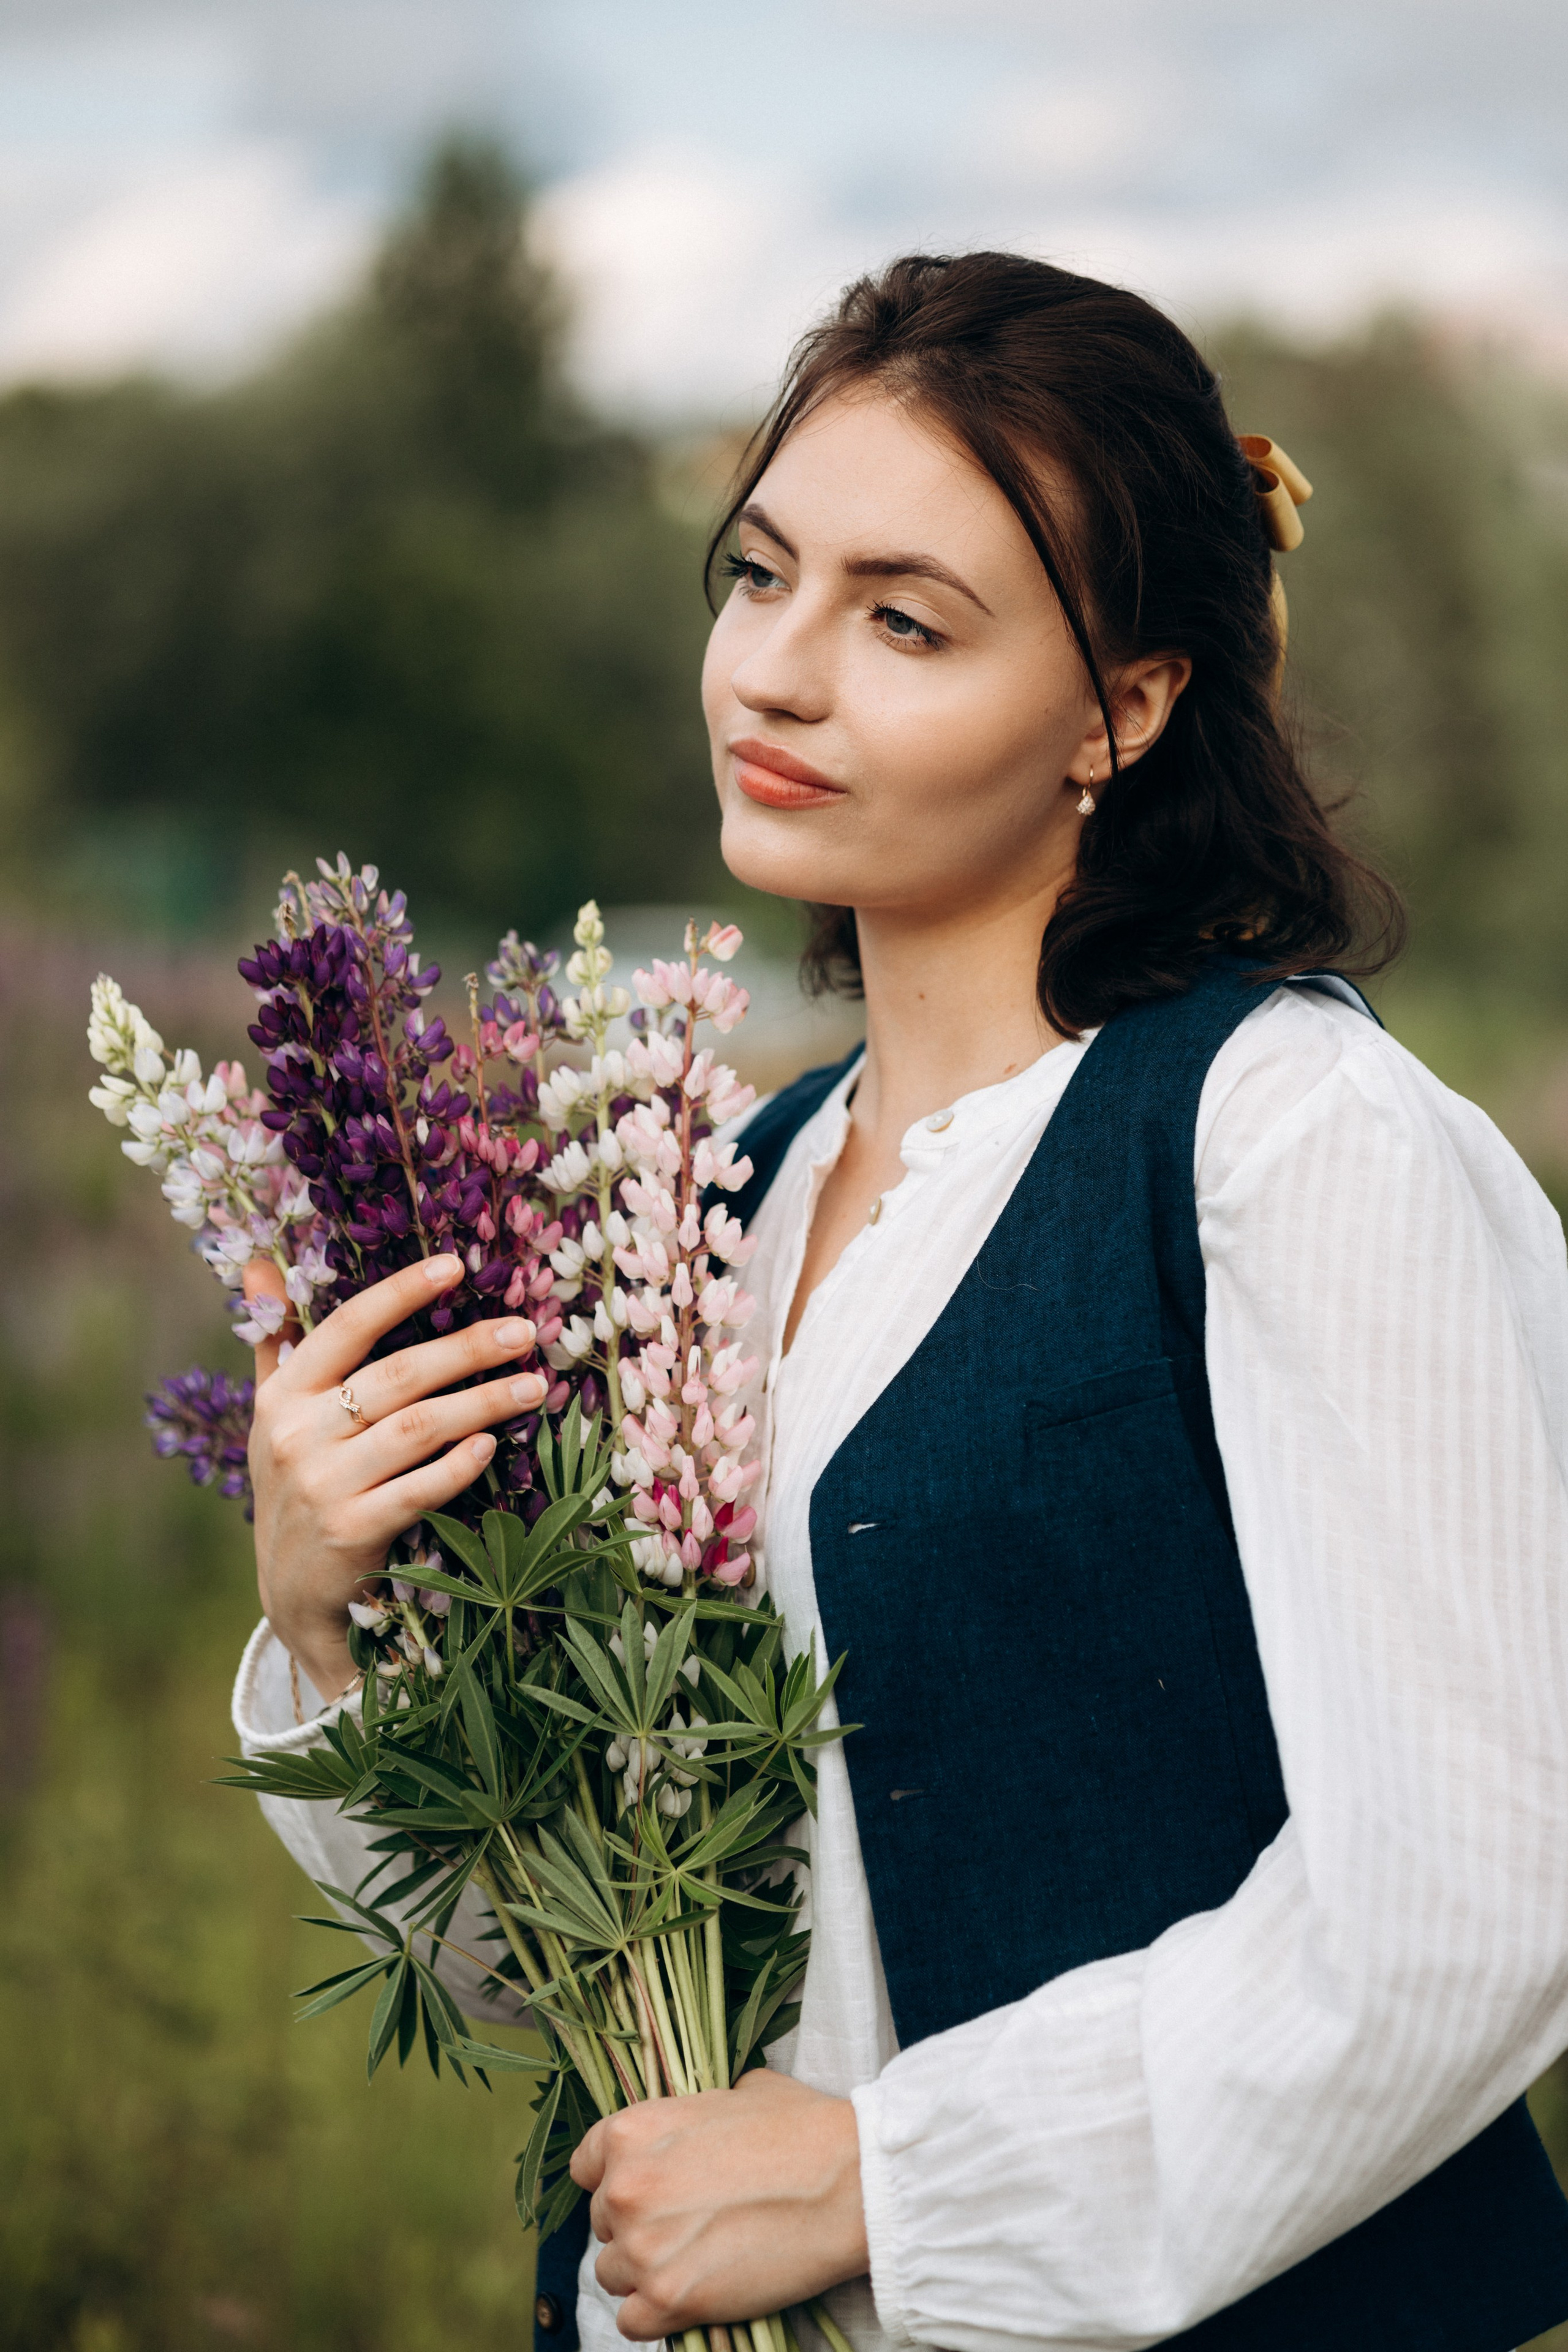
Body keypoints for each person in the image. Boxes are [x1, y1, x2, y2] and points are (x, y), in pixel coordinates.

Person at [234, 253, 1568, 2352]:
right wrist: (332, 1627)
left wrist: (885, 2181)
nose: (774, 672)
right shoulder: (706, 1206)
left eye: (903, 620)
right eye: (756, 576)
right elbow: (546, 1958)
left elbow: (1466, 1906)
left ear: (1127, 705)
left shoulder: (1285, 1144)